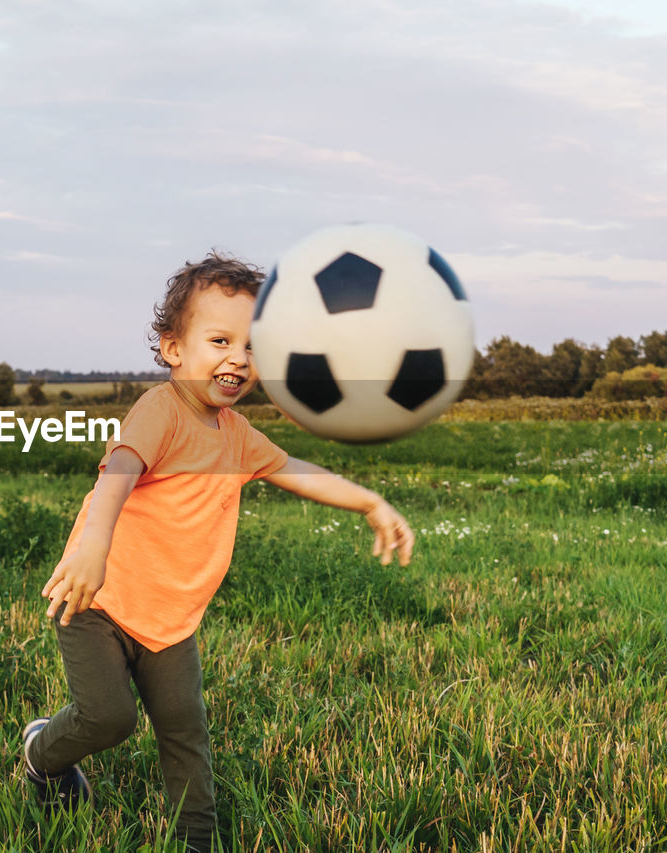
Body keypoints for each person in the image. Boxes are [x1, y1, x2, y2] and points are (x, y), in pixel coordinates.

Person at [21, 251, 414, 851]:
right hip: (100, 597)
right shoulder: (161, 411)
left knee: (185, 732)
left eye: (252, 346)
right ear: (174, 349)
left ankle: (195, 841)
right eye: (221, 340)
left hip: (171, 620)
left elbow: (296, 470)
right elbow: (118, 470)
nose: (238, 357)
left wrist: (368, 502)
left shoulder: (237, 436)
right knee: (110, 718)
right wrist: (93, 546)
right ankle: (42, 754)